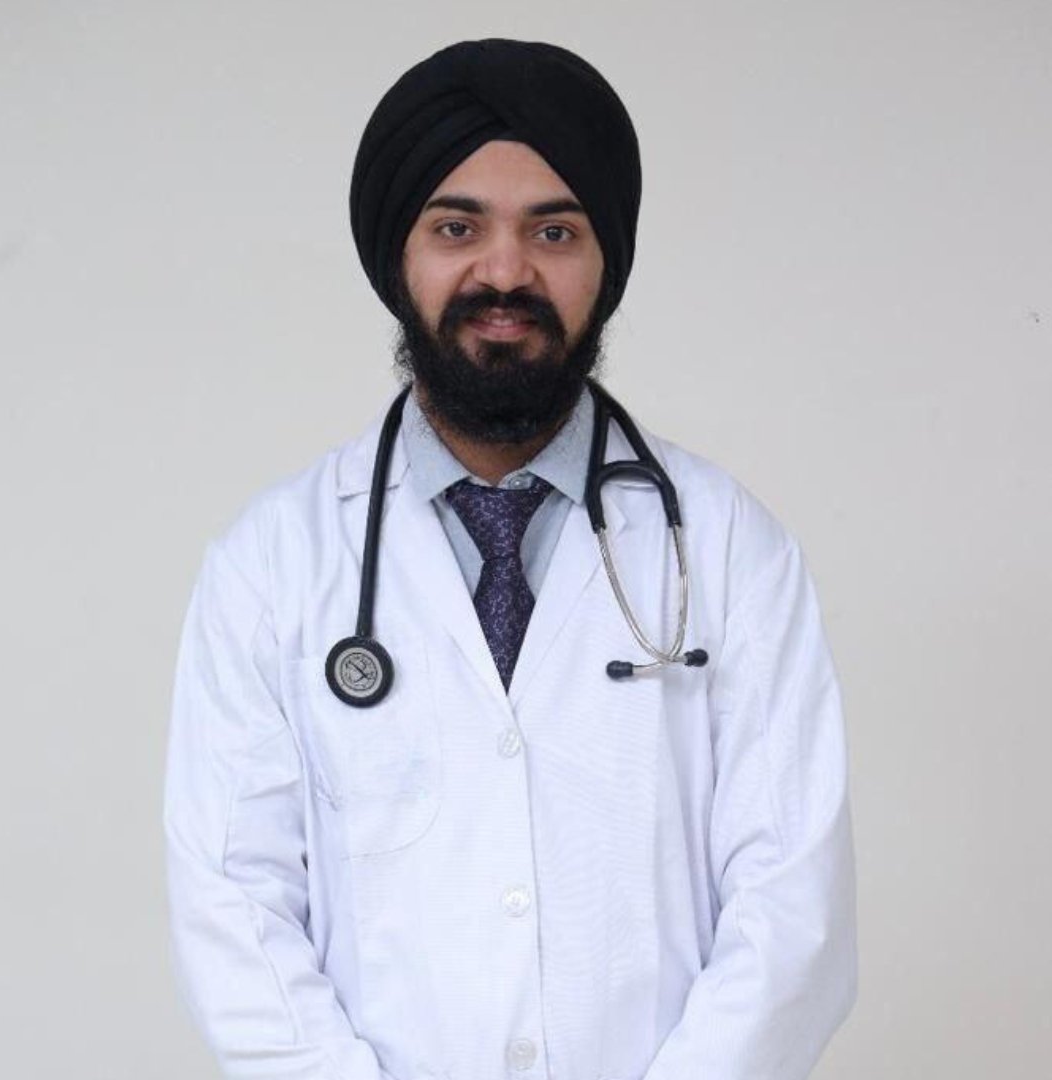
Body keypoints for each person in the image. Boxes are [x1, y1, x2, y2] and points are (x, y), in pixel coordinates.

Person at [164, 38, 857, 1080]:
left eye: (554, 230)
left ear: (605, 263)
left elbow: (792, 909)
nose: (504, 272)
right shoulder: (271, 565)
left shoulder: (727, 549)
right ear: (398, 258)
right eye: (457, 227)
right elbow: (234, 913)